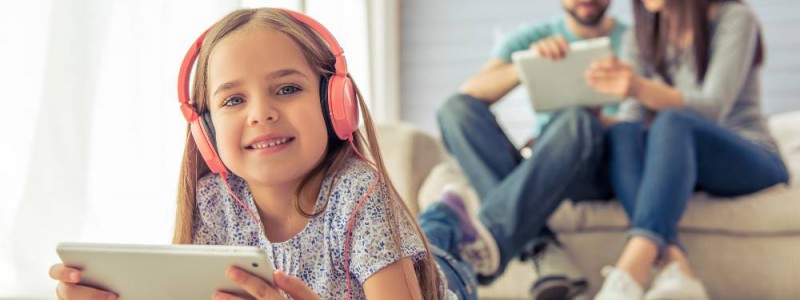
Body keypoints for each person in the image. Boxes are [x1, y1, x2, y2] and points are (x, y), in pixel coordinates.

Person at [48, 8, 448, 300]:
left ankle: (451, 219)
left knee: (447, 249)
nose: (262, 113)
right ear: (206, 130)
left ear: (334, 105)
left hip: (442, 284)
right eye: (234, 99)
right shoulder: (213, 202)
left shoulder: (359, 192)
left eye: (288, 89)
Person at [585, 0, 790, 299]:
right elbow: (631, 118)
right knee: (624, 133)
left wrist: (639, 87)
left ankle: (630, 271)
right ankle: (676, 267)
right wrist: (597, 118)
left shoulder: (734, 17)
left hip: (751, 156)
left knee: (672, 120)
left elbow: (713, 107)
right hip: (686, 161)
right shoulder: (639, 35)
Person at [438, 0, 627, 298]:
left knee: (577, 119)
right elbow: (471, 92)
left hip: (603, 165)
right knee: (455, 111)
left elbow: (662, 119)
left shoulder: (636, 41)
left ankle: (486, 244)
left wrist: (604, 120)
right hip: (545, 162)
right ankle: (543, 247)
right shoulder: (533, 38)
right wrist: (525, 66)